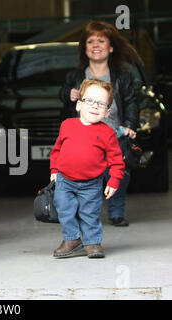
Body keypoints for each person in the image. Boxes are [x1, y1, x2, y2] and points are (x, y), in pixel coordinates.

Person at [60, 20, 140, 227]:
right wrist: (68, 95)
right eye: (90, 41)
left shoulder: (123, 77)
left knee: (119, 174)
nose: (96, 45)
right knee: (83, 176)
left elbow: (131, 102)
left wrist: (130, 125)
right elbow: (65, 104)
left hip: (115, 134)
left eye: (101, 41)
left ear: (111, 47)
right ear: (84, 49)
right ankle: (84, 213)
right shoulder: (75, 77)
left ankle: (116, 212)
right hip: (84, 136)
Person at [50, 79, 125, 259]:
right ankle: (72, 239)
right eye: (89, 101)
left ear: (107, 112)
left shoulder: (107, 132)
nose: (94, 106)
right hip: (65, 180)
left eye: (101, 103)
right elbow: (56, 151)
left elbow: (116, 160)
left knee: (89, 213)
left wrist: (114, 180)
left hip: (92, 183)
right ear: (78, 105)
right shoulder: (67, 125)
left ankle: (92, 242)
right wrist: (54, 171)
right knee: (65, 209)